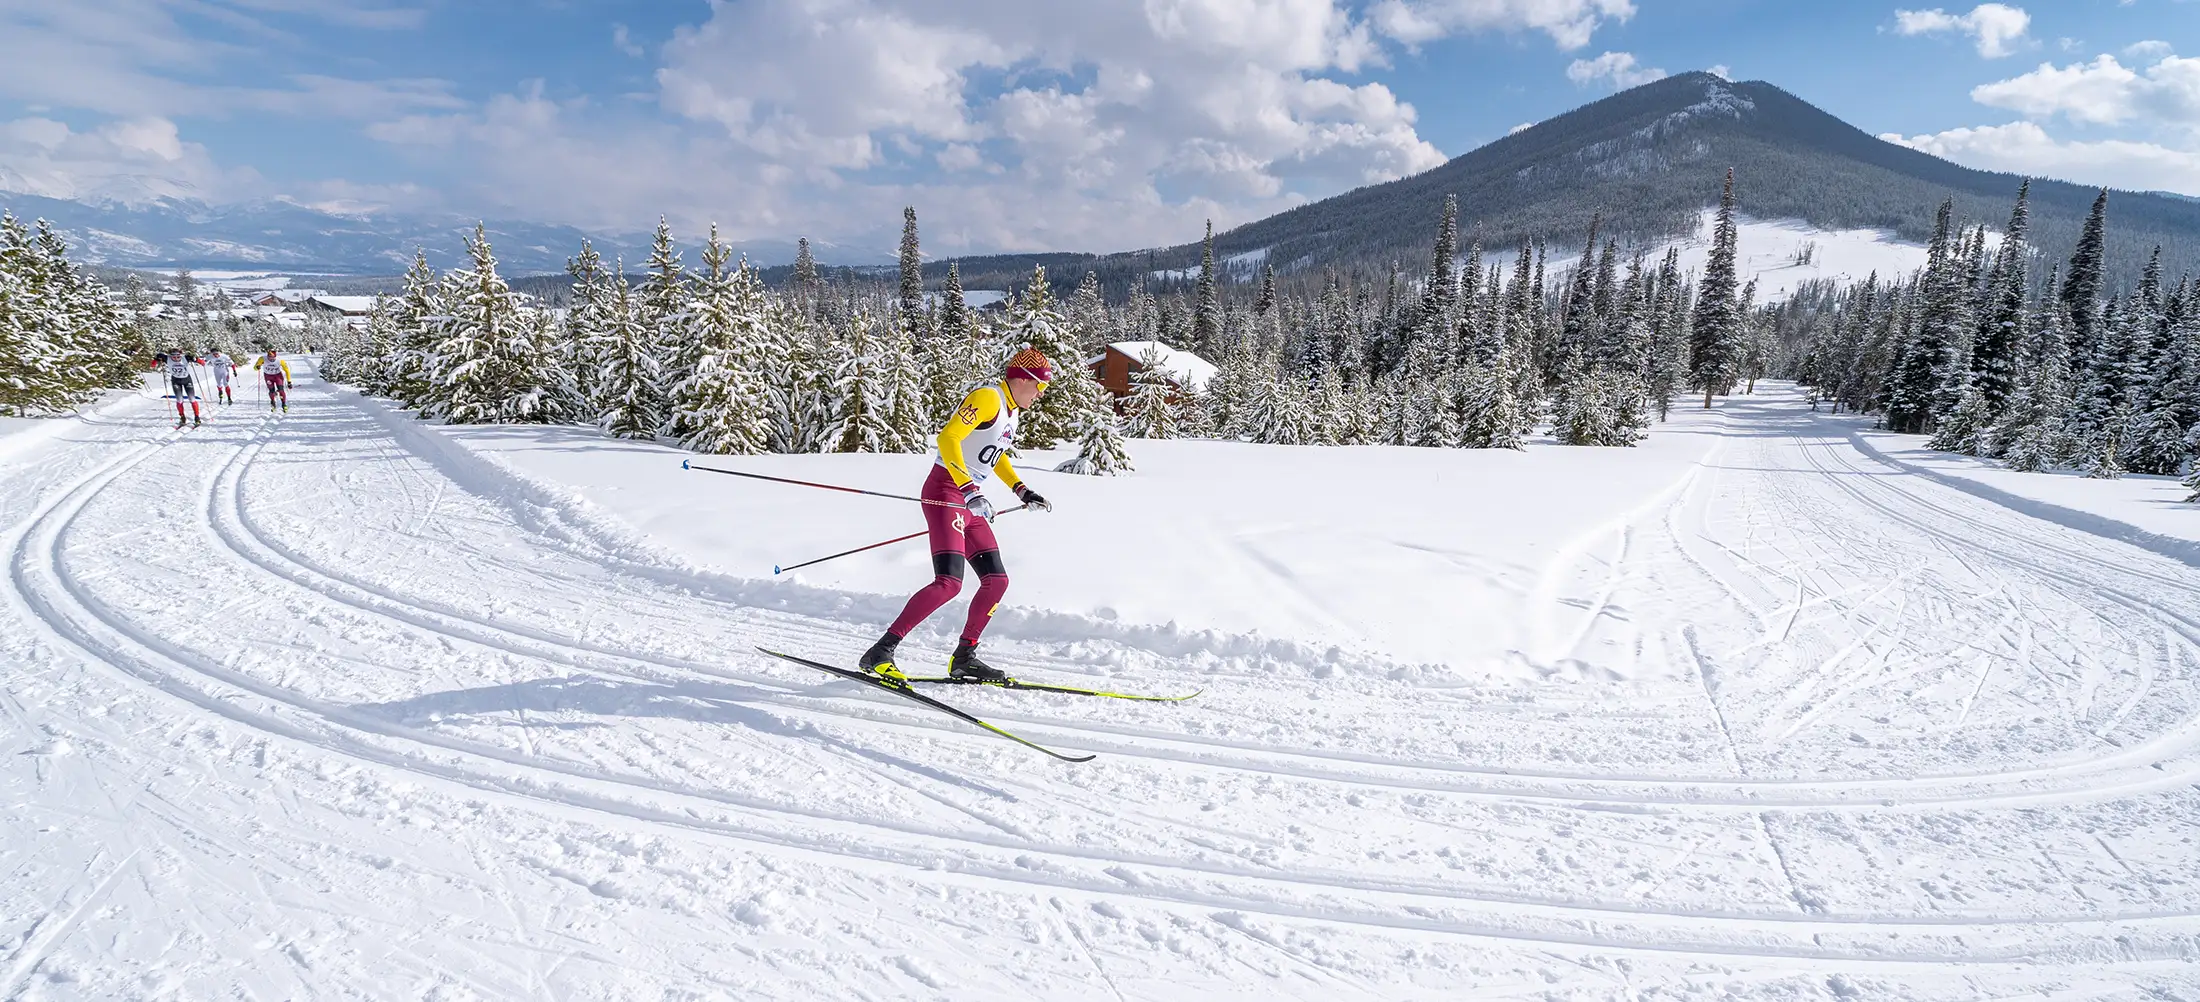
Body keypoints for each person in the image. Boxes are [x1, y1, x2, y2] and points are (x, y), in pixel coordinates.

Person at [860, 347, 1055, 682]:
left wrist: (1021, 490)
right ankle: (880, 651)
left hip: (969, 498)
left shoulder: (1010, 412)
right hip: (946, 491)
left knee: (997, 581)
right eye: (1040, 385)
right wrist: (968, 489)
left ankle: (965, 658)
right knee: (949, 583)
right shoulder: (988, 398)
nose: (1040, 393)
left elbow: (994, 454)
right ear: (1022, 379)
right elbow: (948, 437)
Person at [154, 348, 203, 428]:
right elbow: (157, 359)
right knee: (179, 400)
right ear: (170, 356)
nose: (176, 358)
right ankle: (182, 417)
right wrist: (156, 359)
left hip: (187, 380)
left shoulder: (185, 358)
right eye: (173, 357)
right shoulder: (167, 359)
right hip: (176, 381)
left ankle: (197, 417)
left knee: (192, 399)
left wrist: (197, 360)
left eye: (178, 356)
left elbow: (199, 361)